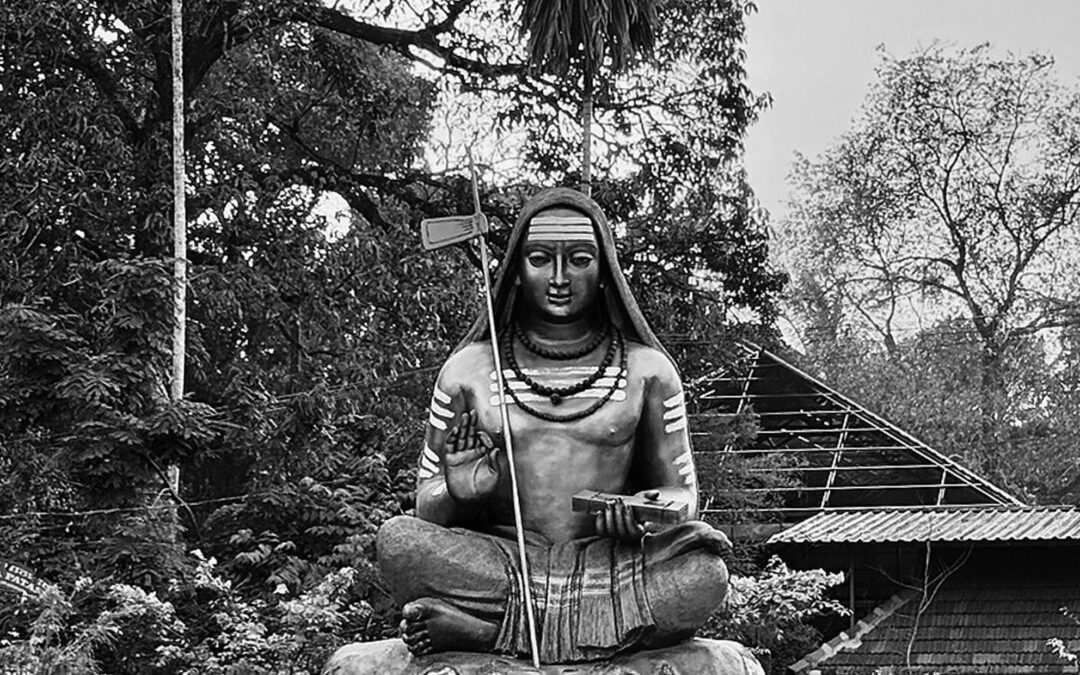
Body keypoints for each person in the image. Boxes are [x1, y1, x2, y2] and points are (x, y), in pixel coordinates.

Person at [376, 187, 731, 664]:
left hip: (608, 562)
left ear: (604, 270)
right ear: (516, 270)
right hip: (503, 559)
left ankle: (489, 632)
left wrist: (644, 512)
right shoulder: (468, 370)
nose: (559, 278)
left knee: (704, 574)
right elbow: (427, 507)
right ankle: (578, 630)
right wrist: (460, 491)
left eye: (579, 259)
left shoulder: (648, 370)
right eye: (540, 259)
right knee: (398, 542)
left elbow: (683, 496)